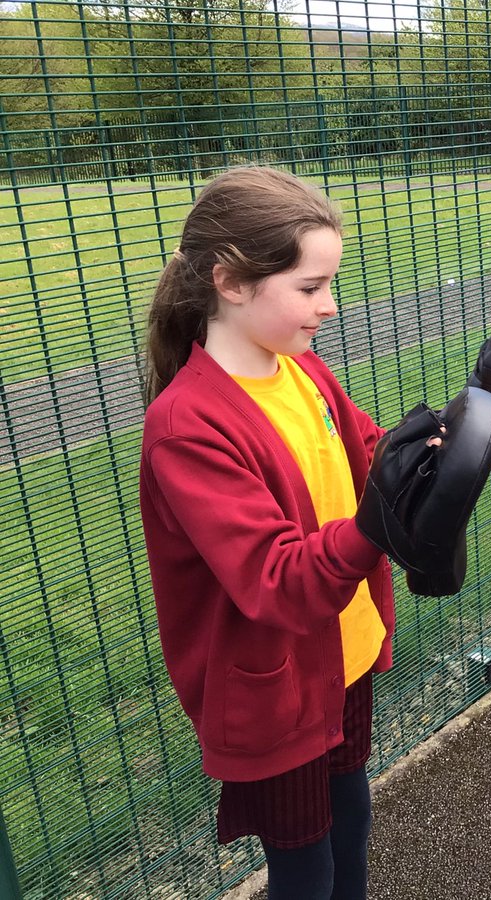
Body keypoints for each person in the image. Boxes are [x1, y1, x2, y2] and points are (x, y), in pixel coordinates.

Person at [139, 166, 434, 899]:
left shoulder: (300, 372)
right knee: (307, 868)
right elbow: (274, 580)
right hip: (273, 688)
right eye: (310, 287)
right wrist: (378, 520)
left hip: (343, 655)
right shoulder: (188, 428)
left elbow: (366, 453)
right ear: (231, 281)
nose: (329, 307)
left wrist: (440, 440)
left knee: (351, 819)